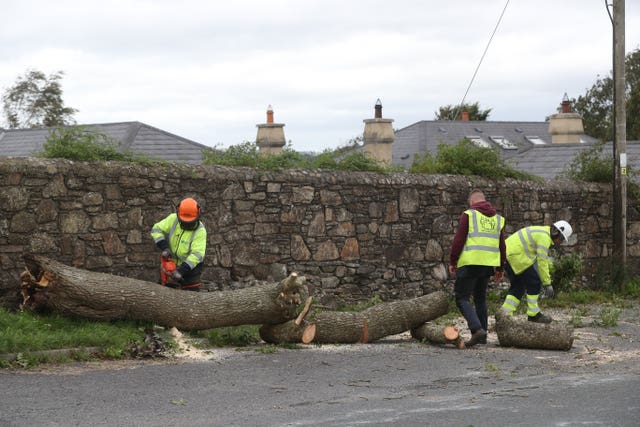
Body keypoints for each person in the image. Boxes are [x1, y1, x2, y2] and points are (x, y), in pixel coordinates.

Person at [449, 190, 506, 348]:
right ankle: (482, 337)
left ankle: (476, 329)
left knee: (462, 297)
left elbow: (459, 240)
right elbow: (502, 245)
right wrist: (501, 268)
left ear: (472, 202)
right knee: (480, 298)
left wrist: (453, 261)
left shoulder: (469, 214)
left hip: (470, 262)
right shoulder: (497, 219)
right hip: (487, 265)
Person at [499, 220, 573, 323]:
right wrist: (547, 284)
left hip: (507, 256)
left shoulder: (542, 232)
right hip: (515, 256)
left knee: (518, 287)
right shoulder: (544, 237)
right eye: (561, 240)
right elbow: (542, 261)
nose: (559, 242)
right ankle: (533, 314)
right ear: (557, 234)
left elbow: (542, 260)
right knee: (534, 282)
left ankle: (504, 314)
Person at [150, 197, 207, 291]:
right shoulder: (173, 219)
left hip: (191, 268)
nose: (186, 225)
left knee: (191, 296)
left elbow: (197, 254)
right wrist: (165, 247)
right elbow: (156, 229)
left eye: (190, 223)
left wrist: (181, 270)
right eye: (184, 222)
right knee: (165, 292)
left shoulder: (200, 231)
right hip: (172, 264)